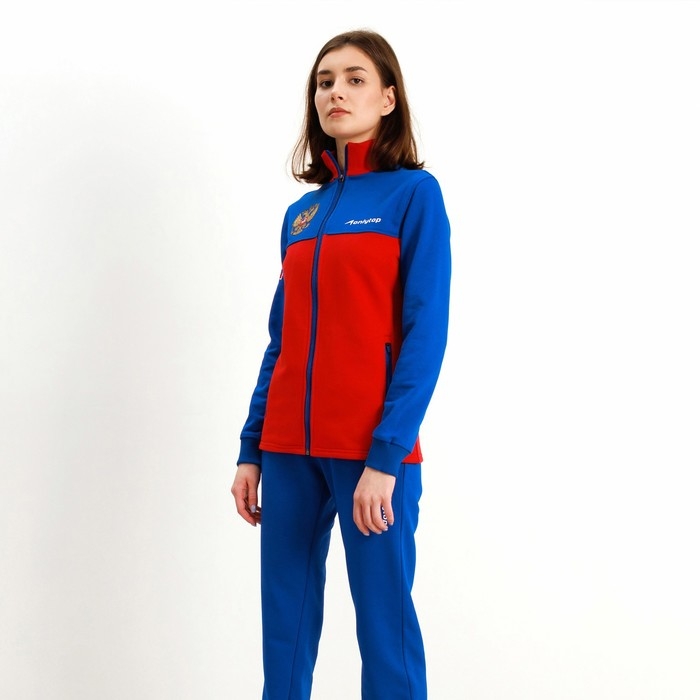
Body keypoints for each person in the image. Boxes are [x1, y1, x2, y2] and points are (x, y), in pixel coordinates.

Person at [231, 28, 451, 700]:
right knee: (284, 631)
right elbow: (282, 340)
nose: (336, 92)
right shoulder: (301, 214)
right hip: (287, 452)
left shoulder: (413, 195)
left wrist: (386, 457)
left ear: (388, 98)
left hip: (369, 453)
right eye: (325, 82)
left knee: (386, 633)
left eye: (355, 79)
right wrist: (251, 448)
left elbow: (425, 335)